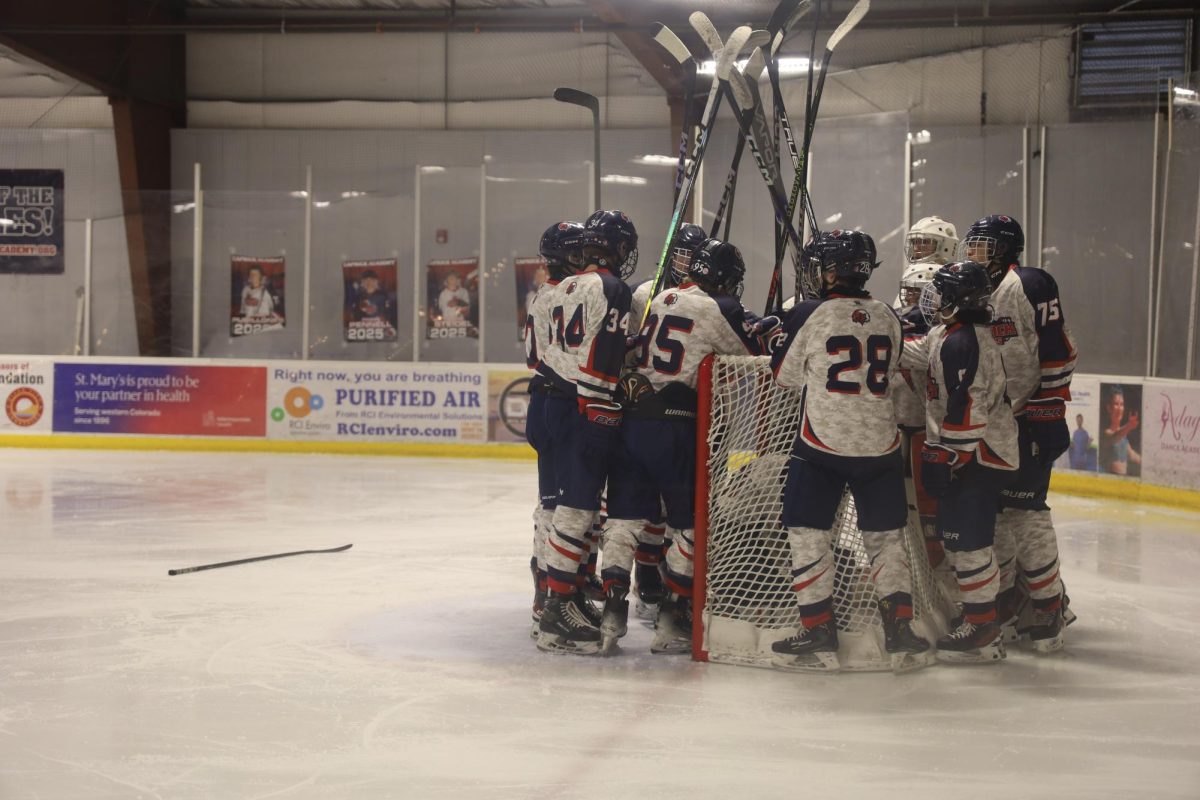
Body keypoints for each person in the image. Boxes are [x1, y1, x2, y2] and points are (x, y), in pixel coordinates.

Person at [602, 238, 780, 655]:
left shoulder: (661, 295)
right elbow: (757, 351)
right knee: (688, 524)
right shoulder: (723, 308)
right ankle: (672, 613)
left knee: (625, 520)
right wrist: (770, 324)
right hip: (678, 426)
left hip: (633, 420)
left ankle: (612, 610)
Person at [768, 229, 932, 673]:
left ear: (830, 271)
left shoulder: (809, 313)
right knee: (885, 541)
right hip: (881, 445)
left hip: (822, 445)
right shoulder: (889, 316)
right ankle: (901, 630)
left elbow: (783, 377)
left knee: (807, 535)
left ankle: (819, 629)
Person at [960, 214, 1077, 653]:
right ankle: (1011, 602)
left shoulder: (1029, 283)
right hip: (991, 426)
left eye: (983, 245)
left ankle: (1048, 606)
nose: (973, 252)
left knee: (1027, 515)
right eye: (971, 245)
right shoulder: (974, 292)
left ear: (1005, 248)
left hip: (1029, 418)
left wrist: (1049, 407)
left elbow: (1057, 347)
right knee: (996, 518)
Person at [535, 209, 635, 655]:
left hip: (555, 402)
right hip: (583, 408)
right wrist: (602, 410)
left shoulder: (559, 289)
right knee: (577, 511)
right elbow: (597, 358)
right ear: (617, 249)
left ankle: (564, 597)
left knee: (568, 510)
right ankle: (558, 612)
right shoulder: (612, 288)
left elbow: (555, 354)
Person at [606, 221, 709, 622]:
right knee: (656, 511)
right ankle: (655, 585)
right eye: (682, 252)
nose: (686, 261)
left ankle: (636, 587)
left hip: (644, 417)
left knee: (637, 511)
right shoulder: (646, 294)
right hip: (668, 416)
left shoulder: (652, 294)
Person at [920, 261, 1019, 664]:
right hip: (972, 453)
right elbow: (920, 354)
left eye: (940, 291)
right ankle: (983, 616)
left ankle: (982, 625)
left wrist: (949, 457)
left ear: (957, 300)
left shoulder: (967, 342)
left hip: (977, 455)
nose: (933, 298)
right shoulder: (952, 334)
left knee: (970, 542)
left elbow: (969, 407)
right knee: (964, 539)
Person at [524, 221, 587, 638]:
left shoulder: (541, 297)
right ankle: (553, 598)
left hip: (540, 401)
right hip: (561, 401)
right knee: (567, 506)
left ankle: (545, 591)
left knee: (549, 504)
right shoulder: (569, 296)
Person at [893, 216, 958, 309]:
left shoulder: (951, 281)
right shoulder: (911, 273)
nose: (916, 248)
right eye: (915, 242)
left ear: (947, 244)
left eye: (925, 241)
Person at [1101, 386, 1140, 475]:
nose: (1119, 408)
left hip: (1122, 480)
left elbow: (1131, 455)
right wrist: (1129, 426)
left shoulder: (1123, 435)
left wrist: (1148, 463)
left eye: (1121, 404)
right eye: (1116, 404)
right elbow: (1114, 437)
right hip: (1110, 478)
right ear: (1109, 408)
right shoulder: (1107, 433)